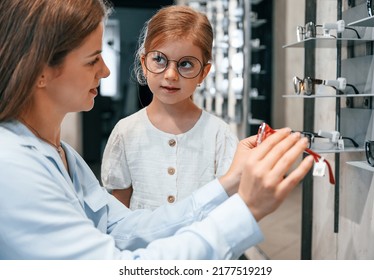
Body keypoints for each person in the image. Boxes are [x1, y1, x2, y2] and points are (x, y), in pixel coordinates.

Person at [0, 0, 313, 260]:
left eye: (186, 64)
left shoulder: (62, 155)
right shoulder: (12, 168)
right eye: (93, 59)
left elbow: (124, 228)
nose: (107, 70)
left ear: (205, 71)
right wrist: (247, 210)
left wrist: (229, 183)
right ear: (40, 69)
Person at [101, 6, 238, 210]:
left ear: (204, 72)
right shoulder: (126, 132)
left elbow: (225, 206)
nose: (171, 75)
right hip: (142, 242)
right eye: (159, 59)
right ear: (144, 63)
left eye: (186, 64)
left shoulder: (219, 135)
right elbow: (118, 208)